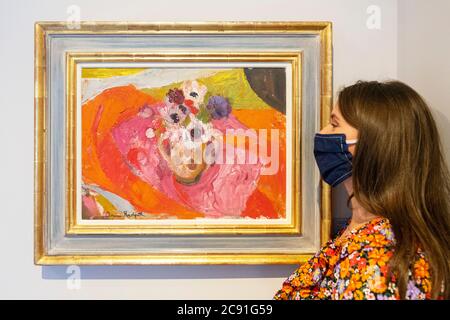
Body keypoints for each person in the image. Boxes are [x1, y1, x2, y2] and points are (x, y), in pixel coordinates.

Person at [273, 80, 449, 300]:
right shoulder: (361, 229)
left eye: (334, 124)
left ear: (373, 142)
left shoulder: (381, 260)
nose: (322, 132)